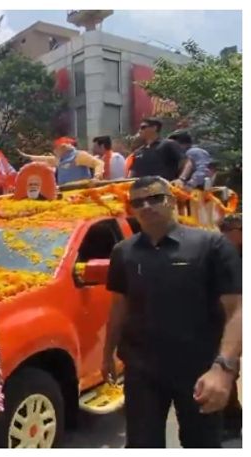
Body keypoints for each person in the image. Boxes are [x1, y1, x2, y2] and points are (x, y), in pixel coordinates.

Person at [103, 176, 242, 448]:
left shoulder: (211, 245)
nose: (146, 206)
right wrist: (107, 354)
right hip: (142, 371)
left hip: (199, 369)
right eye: (138, 202)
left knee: (200, 444)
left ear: (172, 201)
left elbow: (237, 310)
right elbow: (119, 306)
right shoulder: (123, 252)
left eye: (155, 198)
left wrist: (224, 368)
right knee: (142, 445)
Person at [218, 213, 243, 439]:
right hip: (234, 319)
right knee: (229, 368)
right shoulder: (223, 255)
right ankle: (232, 420)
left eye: (232, 232)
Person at [18, 137, 104, 185]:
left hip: (80, 191)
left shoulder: (79, 155)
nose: (54, 150)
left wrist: (96, 177)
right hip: (65, 192)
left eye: (56, 148)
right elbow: (44, 159)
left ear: (63, 147)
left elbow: (98, 163)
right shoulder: (59, 159)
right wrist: (28, 156)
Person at [128, 118, 187, 184]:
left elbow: (187, 162)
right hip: (141, 191)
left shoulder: (168, 144)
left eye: (143, 127)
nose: (139, 131)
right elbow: (133, 172)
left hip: (164, 190)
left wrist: (181, 179)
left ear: (154, 128)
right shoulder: (138, 151)